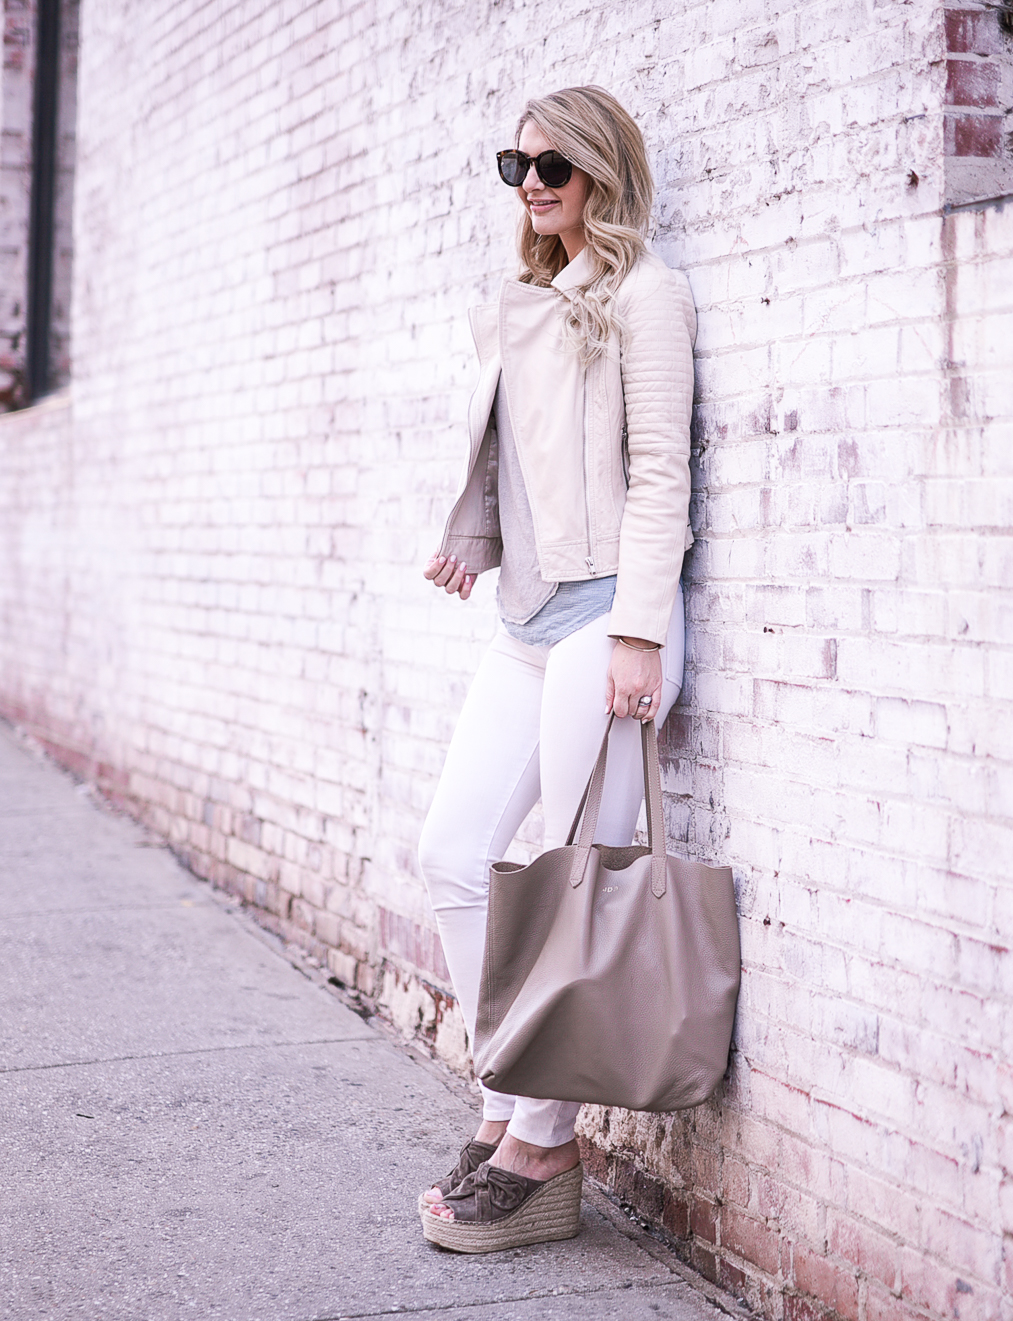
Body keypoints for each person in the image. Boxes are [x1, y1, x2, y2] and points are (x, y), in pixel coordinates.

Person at [416, 85, 696, 1253]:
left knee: (573, 884)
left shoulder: (644, 296)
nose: (533, 184)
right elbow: (514, 465)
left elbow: (658, 472)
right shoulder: (531, 300)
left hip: (608, 633)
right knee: (453, 854)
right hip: (528, 627)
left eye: (555, 167)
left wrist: (637, 633)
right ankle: (508, 1105)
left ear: (602, 173)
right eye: (517, 165)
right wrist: (469, 537)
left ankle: (543, 1147)